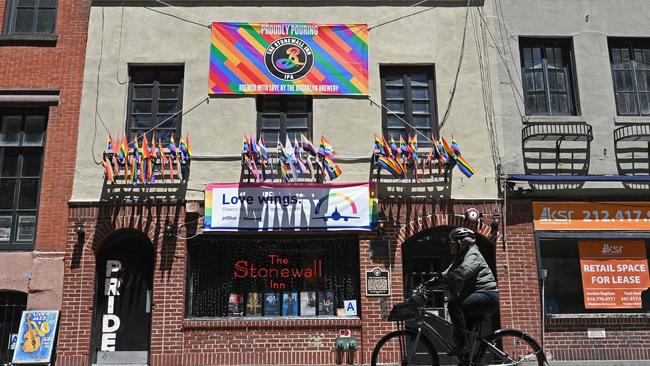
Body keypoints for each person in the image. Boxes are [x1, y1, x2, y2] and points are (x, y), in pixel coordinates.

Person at [423, 227, 499, 358]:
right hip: (477, 295)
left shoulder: (473, 254)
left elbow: (462, 272)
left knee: (454, 305)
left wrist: (442, 281)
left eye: (453, 242)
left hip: (487, 295)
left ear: (463, 242)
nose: (450, 244)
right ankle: (467, 356)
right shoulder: (460, 257)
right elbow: (446, 273)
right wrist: (429, 283)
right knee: (463, 336)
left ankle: (464, 346)